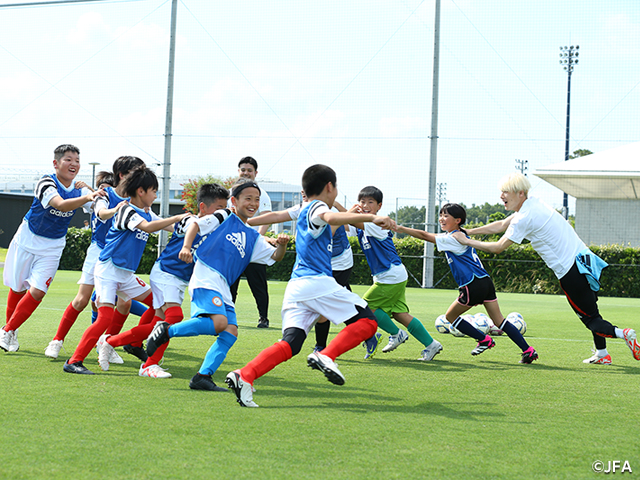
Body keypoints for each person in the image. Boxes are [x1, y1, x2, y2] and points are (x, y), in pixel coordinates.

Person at [224, 164, 395, 408]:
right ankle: (325, 355)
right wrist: (371, 216)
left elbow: (276, 217)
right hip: (315, 281)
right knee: (367, 322)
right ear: (329, 187)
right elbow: (330, 217)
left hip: (297, 287)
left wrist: (242, 221)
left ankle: (245, 375)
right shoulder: (318, 206)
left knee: (291, 343)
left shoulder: (304, 207)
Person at [453, 172, 639, 365]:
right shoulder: (534, 203)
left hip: (570, 272)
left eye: (506, 192)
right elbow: (501, 224)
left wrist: (466, 241)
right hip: (586, 261)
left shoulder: (523, 218)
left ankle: (623, 334)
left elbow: (499, 247)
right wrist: (471, 231)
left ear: (521, 193)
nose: (501, 196)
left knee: (590, 319)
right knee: (593, 311)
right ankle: (602, 354)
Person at [144, 178, 290, 390]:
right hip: (206, 276)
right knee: (220, 323)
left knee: (230, 331)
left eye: (257, 200)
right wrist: (186, 247)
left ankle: (202, 376)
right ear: (234, 201)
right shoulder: (225, 216)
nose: (253, 203)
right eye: (247, 198)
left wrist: (283, 246)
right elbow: (195, 223)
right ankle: (166, 331)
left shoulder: (253, 236)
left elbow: (275, 257)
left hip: (222, 285)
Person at [97, 183, 231, 379]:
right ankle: (147, 364)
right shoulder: (190, 221)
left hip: (177, 279)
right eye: (219, 209)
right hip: (166, 273)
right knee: (173, 318)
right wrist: (186, 246)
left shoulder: (216, 230)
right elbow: (190, 228)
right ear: (203, 208)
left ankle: (112, 342)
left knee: (159, 323)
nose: (222, 214)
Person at [63, 165, 187, 374]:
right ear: (141, 191)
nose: (156, 195)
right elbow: (148, 227)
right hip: (108, 271)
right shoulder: (126, 210)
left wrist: (195, 226)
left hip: (125, 275)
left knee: (157, 302)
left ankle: (133, 343)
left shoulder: (146, 212)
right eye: (154, 191)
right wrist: (177, 217)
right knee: (104, 318)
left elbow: (168, 227)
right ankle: (74, 361)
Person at [396, 202, 538, 363]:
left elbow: (424, 235)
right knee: (499, 321)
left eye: (446, 216)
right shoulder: (462, 236)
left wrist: (400, 228)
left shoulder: (453, 237)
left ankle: (483, 340)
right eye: (441, 215)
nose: (441, 219)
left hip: (472, 284)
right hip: (485, 281)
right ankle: (528, 350)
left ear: (458, 220)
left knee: (450, 316)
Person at [0, 144, 105, 352]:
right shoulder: (46, 182)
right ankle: (10, 330)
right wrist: (87, 196)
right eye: (68, 159)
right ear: (56, 163)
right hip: (27, 239)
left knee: (38, 291)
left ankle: (7, 330)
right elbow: (59, 204)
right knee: (18, 287)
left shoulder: (81, 188)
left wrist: (95, 194)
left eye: (76, 160)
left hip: (53, 246)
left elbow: (98, 207)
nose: (73, 164)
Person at [45, 156, 144, 360]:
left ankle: (105, 344)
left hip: (119, 257)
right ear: (122, 175)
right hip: (99, 252)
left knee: (124, 304)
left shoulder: (138, 200)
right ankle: (57, 340)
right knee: (82, 300)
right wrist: (114, 209)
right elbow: (101, 212)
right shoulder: (105, 194)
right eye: (137, 172)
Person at [247, 196, 357, 353]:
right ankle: (304, 341)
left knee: (324, 307)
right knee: (337, 304)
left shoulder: (323, 211)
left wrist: (367, 217)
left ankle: (318, 347)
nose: (306, 196)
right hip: (313, 267)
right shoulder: (302, 207)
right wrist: (245, 220)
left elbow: (332, 228)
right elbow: (277, 216)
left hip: (338, 264)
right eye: (305, 193)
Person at [354, 186, 442, 361]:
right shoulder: (365, 224)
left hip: (390, 275)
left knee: (365, 308)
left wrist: (335, 204)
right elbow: (347, 221)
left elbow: (349, 219)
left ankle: (396, 334)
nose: (365, 205)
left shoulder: (375, 223)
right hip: (392, 274)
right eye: (362, 201)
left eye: (370, 202)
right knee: (399, 314)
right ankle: (432, 344)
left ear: (379, 206)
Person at [229, 156, 273, 328]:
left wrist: (258, 238)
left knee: (259, 285)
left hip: (254, 248)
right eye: (243, 170)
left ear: (255, 173)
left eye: (249, 170)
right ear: (238, 171)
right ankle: (228, 316)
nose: (246, 173)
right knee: (231, 284)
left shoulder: (262, 194)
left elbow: (266, 218)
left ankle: (264, 318)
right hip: (233, 246)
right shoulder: (230, 193)